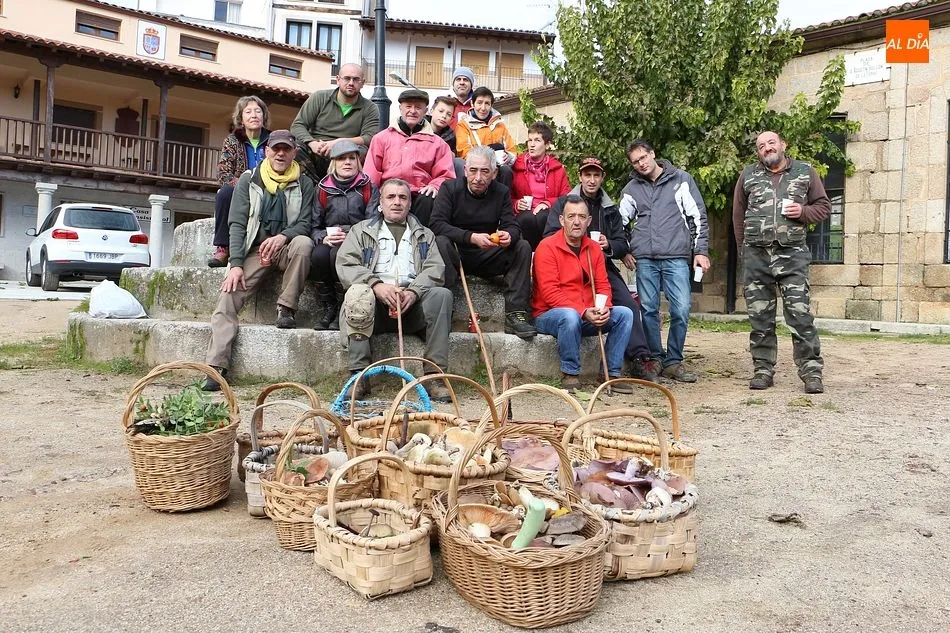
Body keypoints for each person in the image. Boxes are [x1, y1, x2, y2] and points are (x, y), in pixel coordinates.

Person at [202, 130, 314, 391]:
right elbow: (237, 223)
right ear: (267, 151)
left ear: (294, 153)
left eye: (286, 149)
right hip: (255, 252)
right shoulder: (249, 180)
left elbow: (306, 223)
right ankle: (216, 367)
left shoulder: (305, 183)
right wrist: (236, 264)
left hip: (286, 248)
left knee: (304, 244)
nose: (281, 154)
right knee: (227, 297)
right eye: (276, 149)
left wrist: (284, 236)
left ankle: (286, 307)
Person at [335, 178, 452, 401]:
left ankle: (433, 376)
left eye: (403, 197)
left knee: (442, 295)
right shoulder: (361, 231)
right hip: (373, 307)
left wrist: (414, 291)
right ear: (380, 203)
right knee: (358, 293)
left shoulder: (424, 235)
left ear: (410, 204)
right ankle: (359, 375)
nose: (397, 202)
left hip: (412, 307)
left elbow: (435, 269)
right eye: (391, 197)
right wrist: (376, 285)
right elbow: (346, 264)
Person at [543, 156, 657, 381]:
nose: (592, 179)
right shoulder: (565, 202)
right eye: (588, 174)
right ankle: (571, 373)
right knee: (570, 314)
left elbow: (622, 242)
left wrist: (608, 245)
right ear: (580, 176)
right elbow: (550, 236)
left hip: (599, 263)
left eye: (596, 175)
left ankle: (638, 359)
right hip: (568, 262)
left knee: (628, 307)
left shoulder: (610, 208)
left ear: (602, 177)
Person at [733, 131, 831, 394]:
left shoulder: (805, 172)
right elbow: (738, 215)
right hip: (757, 256)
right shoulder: (748, 175)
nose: (767, 148)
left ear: (783, 145)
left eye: (771, 143)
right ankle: (763, 370)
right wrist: (744, 252)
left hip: (792, 255)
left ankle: (811, 371)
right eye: (761, 146)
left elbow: (823, 206)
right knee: (760, 317)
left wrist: (803, 212)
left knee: (800, 314)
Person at [618, 139, 709, 383]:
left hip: (676, 256)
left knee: (681, 309)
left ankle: (674, 361)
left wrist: (701, 251)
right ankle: (655, 358)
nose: (641, 164)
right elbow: (621, 224)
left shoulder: (681, 180)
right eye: (635, 162)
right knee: (648, 310)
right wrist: (625, 250)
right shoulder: (631, 189)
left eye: (643, 158)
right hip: (644, 258)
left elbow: (697, 216)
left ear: (653, 153)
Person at [429, 146, 536, 339]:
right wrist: (471, 237)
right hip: (456, 254)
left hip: (487, 253)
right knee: (440, 241)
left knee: (522, 246)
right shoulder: (449, 188)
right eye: (473, 170)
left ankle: (516, 313)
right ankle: (445, 311)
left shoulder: (501, 192)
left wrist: (508, 235)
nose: (478, 177)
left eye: (485, 171)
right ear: (465, 170)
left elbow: (512, 225)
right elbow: (436, 224)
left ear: (494, 173)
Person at [532, 195, 635, 393]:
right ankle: (570, 373)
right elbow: (550, 294)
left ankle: (609, 373)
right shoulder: (547, 247)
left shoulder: (594, 249)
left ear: (589, 221)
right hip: (550, 314)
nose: (577, 221)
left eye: (581, 216)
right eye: (571, 216)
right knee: (569, 315)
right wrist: (582, 311)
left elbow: (603, 285)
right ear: (562, 220)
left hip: (587, 312)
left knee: (625, 314)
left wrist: (604, 307)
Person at [309, 140, 379, 331]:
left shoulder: (368, 187)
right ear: (334, 162)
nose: (347, 162)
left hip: (359, 240)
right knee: (319, 255)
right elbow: (314, 226)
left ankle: (343, 303)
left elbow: (373, 222)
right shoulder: (322, 189)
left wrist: (350, 235)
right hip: (331, 238)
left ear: (358, 161)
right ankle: (329, 306)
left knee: (336, 255)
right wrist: (323, 237)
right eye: (341, 158)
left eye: (351, 158)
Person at [363, 89, 456, 227]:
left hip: (420, 194)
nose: (413, 111)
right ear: (400, 108)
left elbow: (446, 175)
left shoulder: (438, 143)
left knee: (428, 198)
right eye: (408, 106)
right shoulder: (381, 138)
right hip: (389, 192)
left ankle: (421, 240)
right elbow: (371, 174)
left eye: (418, 107)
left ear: (425, 111)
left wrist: (434, 186)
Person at [208, 96, 271, 267]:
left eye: (258, 111)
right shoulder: (232, 141)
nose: (254, 115)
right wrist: (245, 186)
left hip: (269, 189)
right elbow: (223, 174)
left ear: (264, 116)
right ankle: (223, 247)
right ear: (241, 118)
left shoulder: (273, 141)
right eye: (248, 112)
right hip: (241, 190)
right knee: (224, 193)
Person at [290, 63, 379, 182]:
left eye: (356, 79)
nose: (351, 83)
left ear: (362, 83)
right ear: (338, 80)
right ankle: (315, 187)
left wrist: (340, 143)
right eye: (347, 78)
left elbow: (370, 137)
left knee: (364, 152)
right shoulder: (319, 97)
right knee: (295, 148)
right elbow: (298, 125)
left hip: (347, 152)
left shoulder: (370, 108)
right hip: (317, 149)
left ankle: (349, 188)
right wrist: (312, 143)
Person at [510, 121, 570, 249]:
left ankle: (546, 255)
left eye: (537, 140)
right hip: (524, 216)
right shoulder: (516, 167)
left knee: (545, 216)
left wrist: (547, 203)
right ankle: (530, 256)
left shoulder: (557, 169)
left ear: (547, 144)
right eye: (529, 140)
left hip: (547, 215)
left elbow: (565, 198)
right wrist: (516, 204)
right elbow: (506, 197)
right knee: (527, 218)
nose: (531, 145)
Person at [454, 86, 516, 188]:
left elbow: (512, 150)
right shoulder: (463, 125)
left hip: (498, 168)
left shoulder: (500, 124)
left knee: (506, 171)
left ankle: (503, 202)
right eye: (479, 103)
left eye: (487, 103)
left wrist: (507, 157)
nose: (483, 108)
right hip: (476, 168)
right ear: (472, 104)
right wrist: (486, 160)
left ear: (491, 105)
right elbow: (464, 151)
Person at [446, 66, 475, 131]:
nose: (462, 83)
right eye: (458, 79)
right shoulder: (444, 103)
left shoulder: (477, 105)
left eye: (465, 79)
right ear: (453, 83)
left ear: (471, 84)